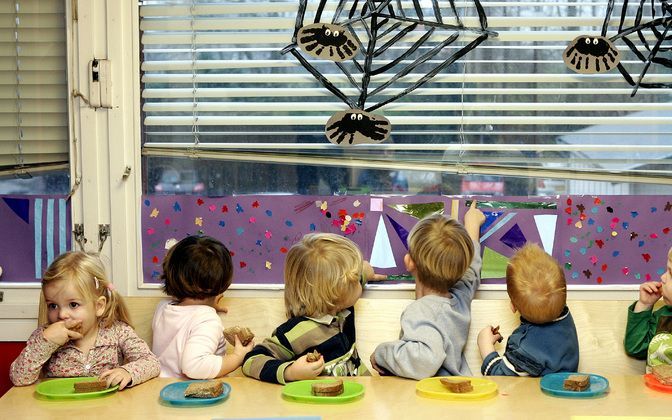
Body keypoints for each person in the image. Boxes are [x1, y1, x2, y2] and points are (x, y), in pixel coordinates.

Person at [242, 232, 379, 384]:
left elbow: (361, 273)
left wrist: (368, 272)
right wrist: (290, 372)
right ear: (335, 292)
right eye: (355, 280)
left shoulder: (343, 308)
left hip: (360, 392)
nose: (360, 280)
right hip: (321, 403)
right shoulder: (296, 332)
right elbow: (251, 361)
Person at [370, 200, 485, 379]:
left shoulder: (420, 311)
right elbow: (472, 270)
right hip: (457, 390)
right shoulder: (461, 298)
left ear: (409, 262)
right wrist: (472, 225)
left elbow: (425, 360)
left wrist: (381, 354)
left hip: (434, 399)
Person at [10, 251, 159, 389]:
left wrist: (127, 371)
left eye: (73, 305)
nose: (62, 314)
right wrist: (46, 342)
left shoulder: (118, 331)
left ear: (99, 306)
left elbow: (152, 363)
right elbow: (19, 378)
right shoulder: (45, 336)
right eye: (53, 305)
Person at [152, 235, 254, 379]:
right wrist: (238, 357)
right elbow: (194, 367)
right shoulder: (207, 320)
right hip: (190, 395)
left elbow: (185, 318)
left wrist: (208, 304)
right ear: (221, 282)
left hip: (160, 388)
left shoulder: (162, 308)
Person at [478, 243, 579, 376]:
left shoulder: (526, 347)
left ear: (513, 306)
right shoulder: (564, 318)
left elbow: (500, 379)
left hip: (535, 397)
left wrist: (485, 346)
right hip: (560, 392)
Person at [625, 246, 672, 370]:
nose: (662, 277)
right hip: (656, 388)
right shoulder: (663, 316)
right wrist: (644, 305)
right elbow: (636, 348)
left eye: (671, 273)